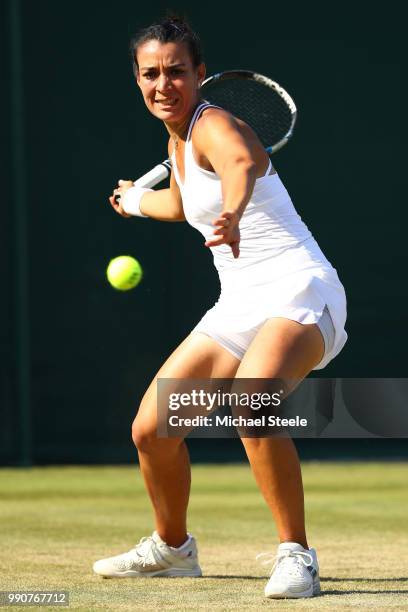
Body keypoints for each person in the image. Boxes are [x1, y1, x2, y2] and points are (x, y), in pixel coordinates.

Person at [93, 16, 347, 599]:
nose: (164, 84)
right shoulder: (177, 141)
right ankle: (173, 549)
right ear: (137, 80)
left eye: (176, 71)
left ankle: (296, 555)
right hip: (240, 303)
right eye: (151, 74)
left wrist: (233, 212)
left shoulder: (215, 125)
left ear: (200, 75)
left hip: (300, 288)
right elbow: (182, 205)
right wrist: (134, 201)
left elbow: (240, 165)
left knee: (250, 405)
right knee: (152, 430)